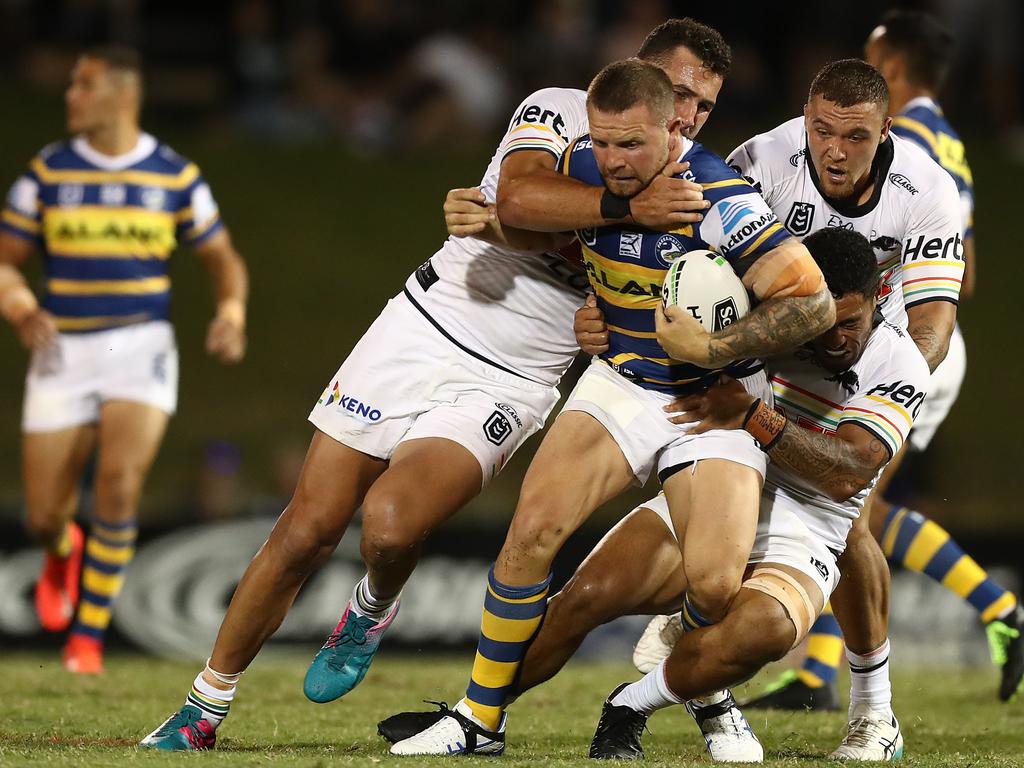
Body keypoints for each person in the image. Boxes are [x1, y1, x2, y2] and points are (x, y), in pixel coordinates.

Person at [138, 18, 717, 752]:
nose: (693, 114)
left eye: (705, 104)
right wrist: (614, 213)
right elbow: (517, 198)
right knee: (307, 527)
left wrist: (610, 317)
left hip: (514, 375)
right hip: (422, 323)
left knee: (390, 525)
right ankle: (202, 711)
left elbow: (666, 287)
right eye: (684, 93)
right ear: (638, 80)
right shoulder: (561, 110)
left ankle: (374, 601)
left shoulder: (703, 184)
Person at [388, 58, 835, 757]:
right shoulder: (585, 167)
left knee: (715, 587)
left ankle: (700, 689)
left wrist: (718, 349)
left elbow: (810, 300)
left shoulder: (717, 195)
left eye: (631, 144)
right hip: (623, 381)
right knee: (531, 531)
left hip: (711, 401)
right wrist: (488, 225)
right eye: (601, 141)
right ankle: (479, 720)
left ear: (670, 131)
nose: (613, 159)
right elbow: (534, 214)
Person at [379, 227, 926, 762]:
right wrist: (601, 317)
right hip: (722, 486)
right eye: (823, 321)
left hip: (807, 526)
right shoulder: (768, 320)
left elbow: (848, 472)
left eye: (849, 322)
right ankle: (477, 715)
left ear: (879, 299)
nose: (833, 339)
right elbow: (673, 292)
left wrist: (754, 417)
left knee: (763, 629)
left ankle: (632, 704)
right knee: (583, 599)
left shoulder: (897, 364)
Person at [580, 58, 966, 757]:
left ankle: (873, 710)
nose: (836, 150)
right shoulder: (761, 161)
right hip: (769, 343)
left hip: (878, 347)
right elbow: (692, 267)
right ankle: (702, 613)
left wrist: (879, 384)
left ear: (886, 133)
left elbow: (934, 325)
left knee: (850, 511)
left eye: (855, 135)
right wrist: (606, 311)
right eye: (823, 130)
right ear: (806, 121)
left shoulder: (928, 191)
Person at [730, 11, 1022, 712]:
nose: (838, 147)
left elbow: (957, 279)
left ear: (887, 67)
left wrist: (874, 333)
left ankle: (846, 676)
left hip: (901, 347)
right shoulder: (944, 135)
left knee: (844, 502)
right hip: (882, 345)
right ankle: (835, 667)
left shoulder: (911, 148)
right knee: (853, 502)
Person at [0, 46, 248, 675]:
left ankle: (86, 641)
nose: (69, 96)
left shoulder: (174, 176)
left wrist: (231, 310)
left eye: (82, 85)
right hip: (65, 348)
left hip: (137, 345)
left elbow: (221, 257)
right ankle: (61, 548)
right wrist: (23, 308)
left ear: (121, 94)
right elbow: (5, 260)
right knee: (42, 515)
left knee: (118, 484)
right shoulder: (47, 173)